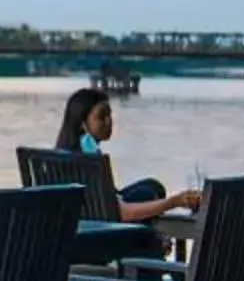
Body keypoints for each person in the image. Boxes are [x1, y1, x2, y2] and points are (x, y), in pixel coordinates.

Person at [53, 87, 201, 222]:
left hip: (87, 223)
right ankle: (150, 243)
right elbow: (122, 213)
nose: (109, 121)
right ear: (82, 123)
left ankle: (152, 240)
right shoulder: (86, 161)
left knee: (153, 186)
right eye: (102, 116)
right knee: (146, 194)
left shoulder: (66, 153)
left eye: (110, 114)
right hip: (98, 233)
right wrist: (175, 202)